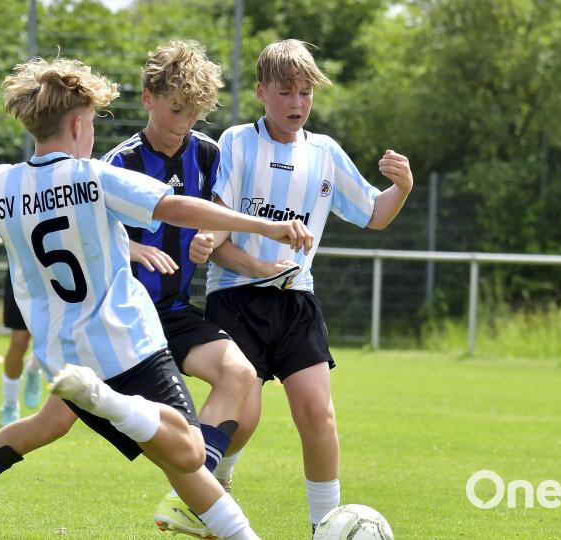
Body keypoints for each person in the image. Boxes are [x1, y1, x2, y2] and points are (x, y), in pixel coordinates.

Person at [0, 56, 313, 540]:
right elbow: (175, 206)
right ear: (77, 124)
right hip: (125, 341)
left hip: (64, 354)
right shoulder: (93, 176)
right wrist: (268, 225)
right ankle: (108, 402)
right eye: (91, 122)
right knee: (191, 453)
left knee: (57, 426)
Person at [193, 39, 414, 535]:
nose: (296, 103)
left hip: (297, 301)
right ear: (261, 92)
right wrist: (251, 266)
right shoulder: (235, 143)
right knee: (243, 417)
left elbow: (374, 215)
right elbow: (219, 239)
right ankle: (220, 476)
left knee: (318, 414)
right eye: (286, 91)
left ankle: (325, 527)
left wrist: (402, 188)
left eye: (305, 93)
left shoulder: (325, 153)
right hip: (235, 298)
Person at [101, 40, 297, 538]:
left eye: (192, 113)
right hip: (122, 318)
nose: (182, 123)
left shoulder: (207, 155)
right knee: (50, 423)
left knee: (240, 375)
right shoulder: (118, 165)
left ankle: (193, 496)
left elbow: (212, 218)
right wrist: (129, 249)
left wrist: (210, 240)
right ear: (147, 97)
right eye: (173, 110)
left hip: (172, 309)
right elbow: (84, 234)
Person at [0, 268, 44, 426]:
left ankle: (33, 367)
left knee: (50, 338)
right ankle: (10, 404)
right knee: (19, 341)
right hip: (21, 274)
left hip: (53, 270)